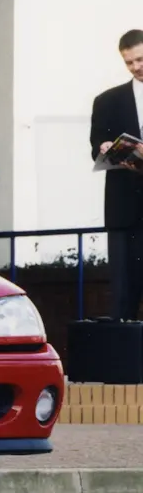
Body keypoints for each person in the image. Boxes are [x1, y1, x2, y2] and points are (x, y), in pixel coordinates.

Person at [91, 29, 143, 320]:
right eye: (130, 63)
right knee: (123, 298)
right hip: (124, 211)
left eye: (141, 59)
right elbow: (95, 145)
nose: (137, 67)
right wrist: (104, 146)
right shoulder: (107, 101)